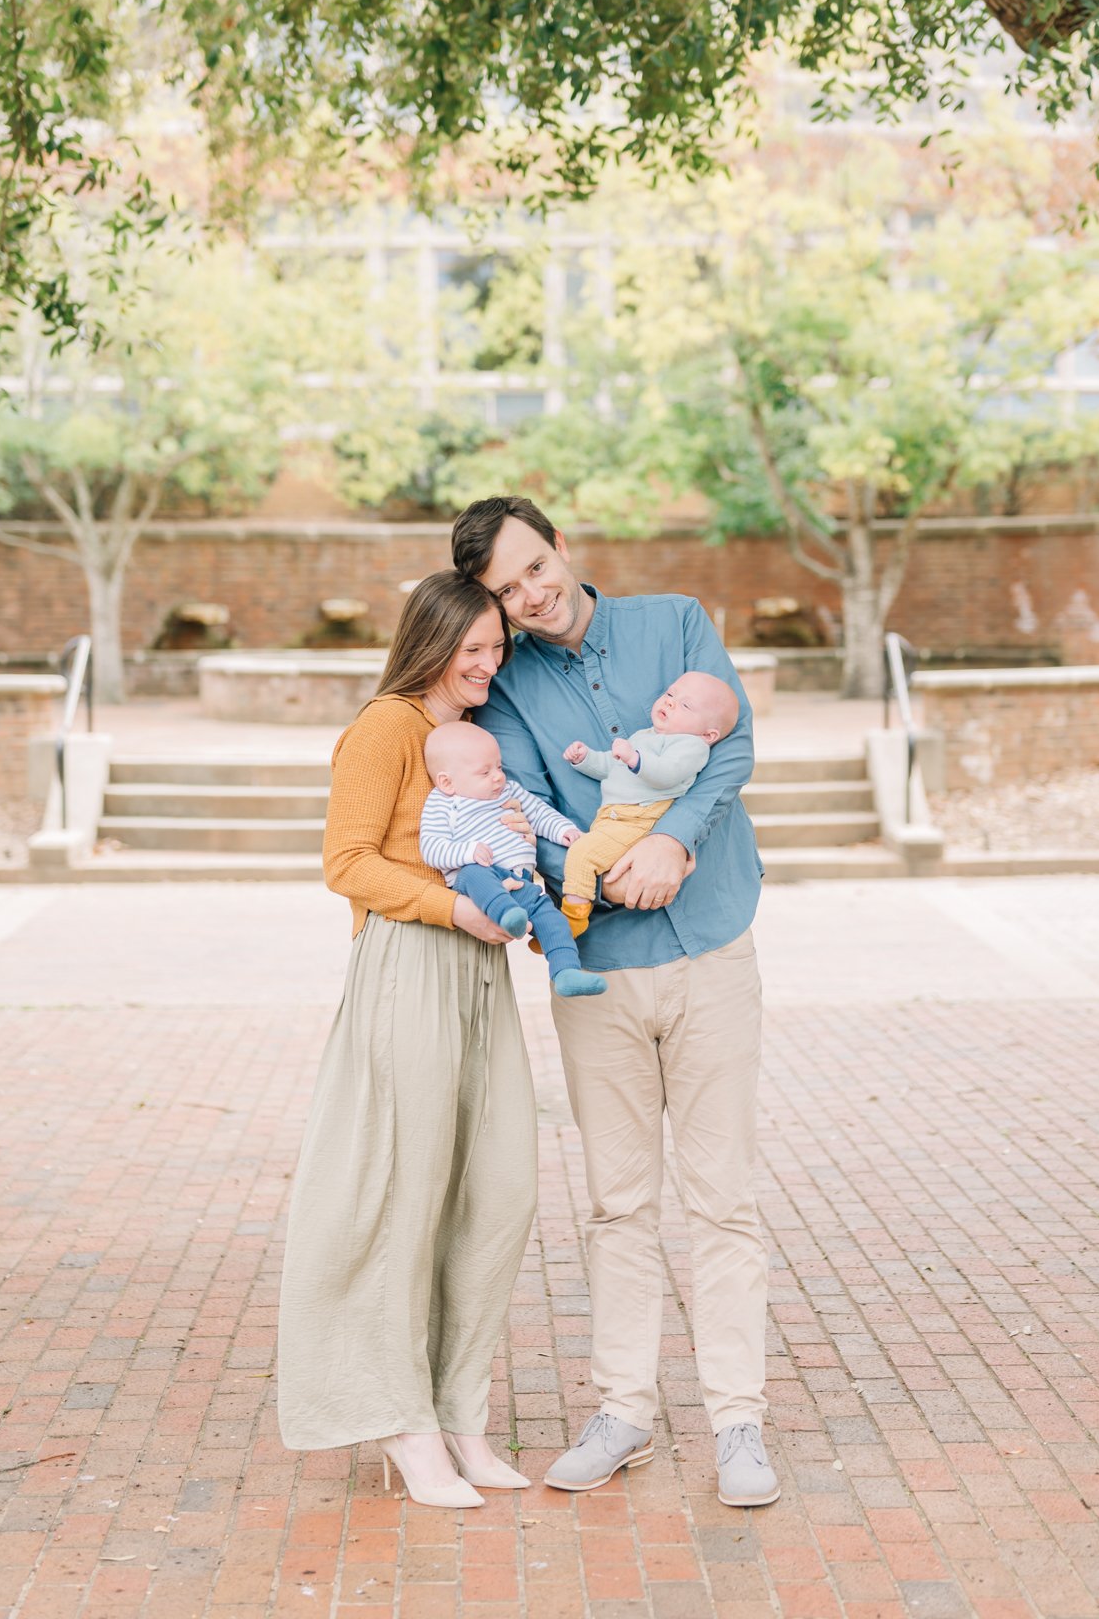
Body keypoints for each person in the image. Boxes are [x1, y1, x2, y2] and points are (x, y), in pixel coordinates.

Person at [451, 496, 778, 1510]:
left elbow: (729, 739)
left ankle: (738, 1419)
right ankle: (624, 1409)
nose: (532, 596)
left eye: (536, 568)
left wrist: (673, 837)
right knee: (618, 1198)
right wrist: (590, 865)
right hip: (595, 964)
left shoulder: (672, 619)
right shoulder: (508, 688)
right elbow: (519, 807)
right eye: (507, 590)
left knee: (722, 1192)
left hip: (713, 937)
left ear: (561, 545)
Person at [277, 573, 536, 1508]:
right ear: (428, 641)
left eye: (496, 649)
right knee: (405, 1192)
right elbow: (345, 861)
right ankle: (404, 1423)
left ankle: (461, 1410)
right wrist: (453, 906)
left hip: (478, 968)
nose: (486, 665)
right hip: (409, 962)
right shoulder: (386, 726)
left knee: (497, 1188)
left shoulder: (472, 735)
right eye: (470, 649)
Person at [419, 721, 607, 996]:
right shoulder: (443, 803)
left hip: (520, 881)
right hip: (478, 881)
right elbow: (431, 848)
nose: (498, 777)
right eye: (485, 772)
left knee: (552, 919)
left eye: (499, 766)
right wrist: (467, 852)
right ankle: (507, 914)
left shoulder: (509, 791)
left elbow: (539, 813)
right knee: (473, 872)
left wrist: (564, 830)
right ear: (447, 782)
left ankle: (566, 971)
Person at [559, 670, 740, 940]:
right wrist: (585, 759)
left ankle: (568, 925)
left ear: (709, 734)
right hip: (616, 817)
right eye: (670, 694)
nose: (669, 702)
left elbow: (666, 773)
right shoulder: (646, 735)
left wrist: (634, 759)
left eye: (685, 705)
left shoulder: (691, 746)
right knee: (588, 854)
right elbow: (612, 764)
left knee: (581, 854)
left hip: (639, 816)